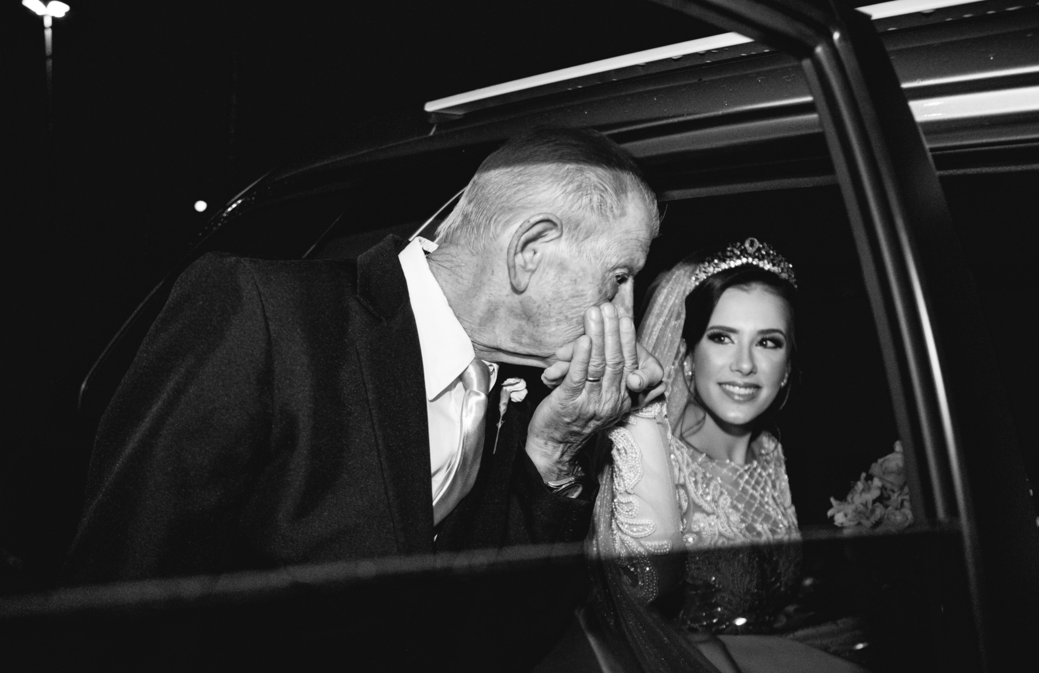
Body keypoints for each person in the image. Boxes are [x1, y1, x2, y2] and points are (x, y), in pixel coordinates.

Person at [62, 126, 662, 584]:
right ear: (530, 249)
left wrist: (553, 450)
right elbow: (122, 587)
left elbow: (502, 632)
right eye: (619, 278)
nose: (628, 311)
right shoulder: (265, 318)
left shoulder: (542, 396)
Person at [460, 239, 880, 673]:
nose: (745, 365)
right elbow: (639, 587)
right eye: (721, 337)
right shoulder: (651, 457)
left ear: (788, 365)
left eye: (768, 342)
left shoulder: (778, 453)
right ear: (687, 354)